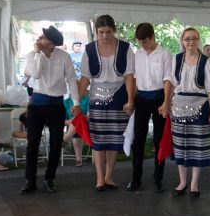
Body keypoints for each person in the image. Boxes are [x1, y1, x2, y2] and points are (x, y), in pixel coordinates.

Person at [74, 15, 135, 191]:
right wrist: (77, 101)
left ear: (114, 30)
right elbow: (85, 78)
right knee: (99, 140)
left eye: (108, 32)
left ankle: (109, 177)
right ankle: (100, 178)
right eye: (101, 32)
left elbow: (129, 76)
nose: (105, 36)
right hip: (97, 98)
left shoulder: (125, 48)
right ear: (96, 32)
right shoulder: (89, 49)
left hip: (119, 96)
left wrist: (130, 100)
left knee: (114, 139)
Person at [21, 25, 80, 194]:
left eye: (43, 37)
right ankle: (30, 181)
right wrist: (38, 53)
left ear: (51, 43)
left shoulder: (64, 57)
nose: (39, 39)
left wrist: (76, 102)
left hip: (56, 104)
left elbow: (71, 79)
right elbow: (36, 74)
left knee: (55, 143)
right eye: (40, 36)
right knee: (33, 143)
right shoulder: (32, 55)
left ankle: (49, 179)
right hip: (37, 103)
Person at [168, 28, 210, 197]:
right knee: (180, 146)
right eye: (187, 39)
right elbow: (172, 84)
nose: (191, 41)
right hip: (178, 106)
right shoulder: (176, 60)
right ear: (182, 41)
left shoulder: (206, 62)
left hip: (200, 106)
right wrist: (166, 103)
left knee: (197, 146)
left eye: (194, 38)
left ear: (198, 40)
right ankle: (182, 182)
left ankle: (194, 184)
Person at [127, 22, 172, 192]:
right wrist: (131, 101)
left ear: (152, 37)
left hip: (159, 97)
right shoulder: (137, 54)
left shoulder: (165, 53)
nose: (142, 45)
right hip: (142, 99)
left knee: (159, 140)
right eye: (139, 42)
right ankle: (135, 178)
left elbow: (168, 79)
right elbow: (134, 79)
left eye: (145, 41)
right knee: (138, 140)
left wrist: (166, 102)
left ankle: (158, 178)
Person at [63, 91, 90, 166]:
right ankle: (79, 160)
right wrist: (70, 121)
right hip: (72, 127)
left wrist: (78, 117)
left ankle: (65, 139)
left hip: (86, 125)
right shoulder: (66, 102)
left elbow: (89, 117)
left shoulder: (87, 100)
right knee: (76, 123)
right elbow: (61, 121)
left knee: (79, 118)